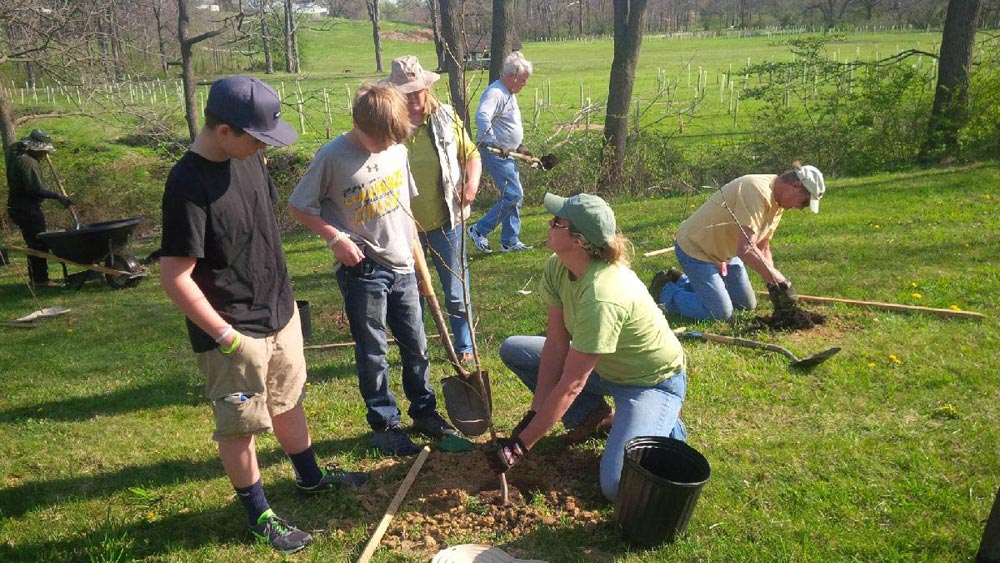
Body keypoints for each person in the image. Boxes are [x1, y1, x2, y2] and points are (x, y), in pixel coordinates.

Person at [159, 75, 368, 555]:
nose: (262, 148)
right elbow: (175, 276)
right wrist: (225, 335)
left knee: (287, 398)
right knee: (241, 425)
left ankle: (309, 478)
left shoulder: (249, 158)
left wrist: (285, 305)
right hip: (233, 331)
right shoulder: (186, 184)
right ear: (225, 130)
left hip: (280, 311)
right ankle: (259, 515)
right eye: (257, 137)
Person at [289, 82, 458, 458]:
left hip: (403, 265)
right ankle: (385, 424)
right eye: (379, 139)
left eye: (392, 139)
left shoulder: (396, 148)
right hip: (363, 269)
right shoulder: (332, 158)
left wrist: (416, 260)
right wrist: (336, 239)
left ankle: (425, 411)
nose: (386, 145)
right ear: (358, 123)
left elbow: (404, 208)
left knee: (416, 344)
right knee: (373, 350)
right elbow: (300, 206)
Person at [486, 192, 688, 502]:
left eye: (557, 222)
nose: (549, 225)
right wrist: (534, 415)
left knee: (616, 485)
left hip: (648, 382)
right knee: (515, 349)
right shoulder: (558, 266)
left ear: (579, 241)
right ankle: (592, 416)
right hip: (602, 366)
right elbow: (555, 345)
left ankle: (667, 426)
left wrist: (519, 447)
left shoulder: (602, 295)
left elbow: (571, 384)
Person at [382, 55, 482, 364]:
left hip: (445, 221)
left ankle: (464, 347)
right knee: (412, 294)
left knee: (455, 289)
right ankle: (417, 348)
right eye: (405, 93)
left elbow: (472, 155)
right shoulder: (386, 127)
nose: (413, 98)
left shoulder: (444, 117)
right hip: (403, 228)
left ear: (427, 88)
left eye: (417, 91)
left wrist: (471, 185)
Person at [653, 164, 826, 321]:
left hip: (726, 254)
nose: (800, 207)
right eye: (804, 202)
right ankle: (665, 289)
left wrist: (773, 284)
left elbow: (762, 246)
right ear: (795, 186)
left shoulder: (778, 203)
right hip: (697, 250)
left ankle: (680, 280)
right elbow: (746, 250)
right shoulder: (756, 189)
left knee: (746, 305)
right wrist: (778, 278)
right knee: (720, 313)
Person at [466, 51, 534, 254]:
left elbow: (508, 124)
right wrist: (496, 142)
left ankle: (510, 241)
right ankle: (479, 229)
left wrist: (519, 146)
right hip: (494, 152)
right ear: (512, 76)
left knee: (514, 195)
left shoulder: (508, 94)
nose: (524, 84)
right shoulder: (495, 92)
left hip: (507, 153)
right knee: (514, 194)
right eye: (523, 80)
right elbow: (482, 117)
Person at [5, 129, 73, 287]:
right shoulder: (28, 163)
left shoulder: (19, 156)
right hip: (26, 208)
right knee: (38, 244)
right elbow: (36, 190)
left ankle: (38, 278)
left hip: (20, 206)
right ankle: (41, 280)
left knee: (35, 243)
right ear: (36, 148)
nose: (45, 154)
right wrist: (59, 197)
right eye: (43, 151)